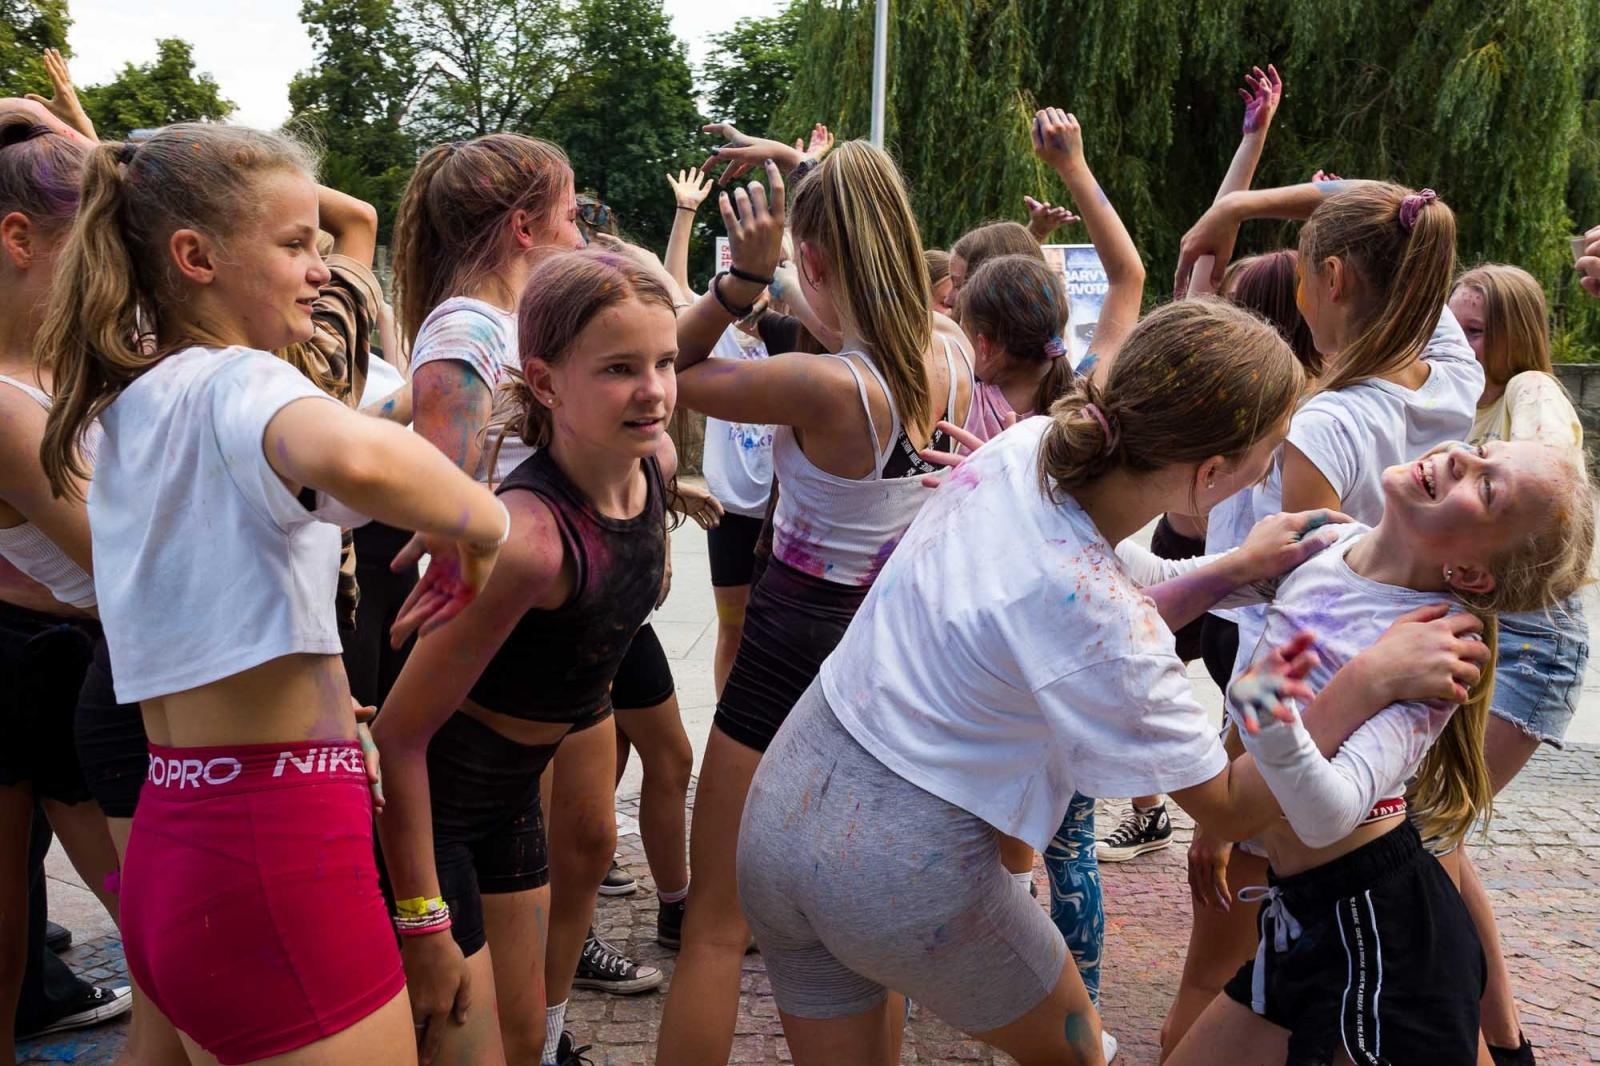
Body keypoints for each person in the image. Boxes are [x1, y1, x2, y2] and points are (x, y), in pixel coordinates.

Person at [736, 297, 1488, 1066]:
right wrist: (1363, 680)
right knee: (1082, 1053)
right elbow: (1227, 804)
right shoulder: (1105, 622)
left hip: (782, 812)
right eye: (1269, 454)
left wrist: (1232, 568)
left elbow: (1096, 588)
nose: (1271, 475)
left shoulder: (1021, 448)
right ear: (1210, 477)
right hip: (897, 870)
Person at [37, 122, 509, 1066]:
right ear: (196, 258)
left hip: (177, 836)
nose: (321, 269)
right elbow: (347, 450)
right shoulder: (241, 382)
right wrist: (481, 525)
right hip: (272, 853)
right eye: (295, 245)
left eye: (322, 245)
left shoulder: (129, 403)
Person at [655, 132, 973, 1066]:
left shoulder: (825, 385)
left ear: (821, 259)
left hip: (786, 660)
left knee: (716, 926)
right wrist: (799, 191)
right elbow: (837, 307)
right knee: (865, 945)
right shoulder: (945, 353)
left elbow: (664, 372)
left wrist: (741, 285)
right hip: (886, 670)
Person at [1169, 437, 1594, 1065]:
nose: (1460, 460)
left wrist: (1273, 722)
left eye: (1486, 487)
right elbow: (1172, 590)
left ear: (1473, 573)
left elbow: (1326, 814)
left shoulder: (1435, 645)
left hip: (1379, 930)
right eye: (1479, 450)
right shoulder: (1330, 545)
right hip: (1304, 916)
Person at [391, 134, 660, 1060]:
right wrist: (487, 534)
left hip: (530, 694)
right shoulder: (467, 332)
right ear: (521, 225)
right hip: (473, 685)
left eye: (657, 368)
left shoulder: (635, 460)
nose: (580, 225)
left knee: (517, 1021)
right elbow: (433, 491)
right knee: (463, 1033)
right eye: (571, 208)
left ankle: (545, 1038)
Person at [0, 109, 136, 1064]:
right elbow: (120, 558)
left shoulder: (78, 357)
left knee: (161, 918)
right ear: (18, 240)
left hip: (90, 656)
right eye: (92, 250)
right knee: (4, 924)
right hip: (29, 661)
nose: (115, 276)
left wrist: (55, 127)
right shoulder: (7, 404)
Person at [1447, 263, 1591, 1066]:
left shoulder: (1532, 389)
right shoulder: (1469, 400)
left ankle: (1475, 1040)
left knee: (1428, 835)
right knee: (1438, 836)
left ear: (1514, 335)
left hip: (1533, 643)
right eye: (1454, 327)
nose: (1463, 346)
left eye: (1478, 332)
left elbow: (1549, 475)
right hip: (1492, 629)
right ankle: (1504, 1044)